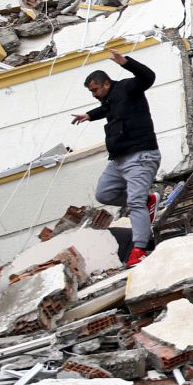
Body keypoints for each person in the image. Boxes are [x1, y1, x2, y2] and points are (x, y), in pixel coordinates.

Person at [72, 50, 161, 266]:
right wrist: (89, 116)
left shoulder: (128, 87)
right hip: (119, 159)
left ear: (105, 84)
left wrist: (126, 62)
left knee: (135, 202)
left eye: (95, 90)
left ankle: (140, 249)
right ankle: (149, 200)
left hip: (141, 155)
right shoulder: (110, 99)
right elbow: (105, 109)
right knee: (104, 193)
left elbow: (148, 77)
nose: (93, 94)